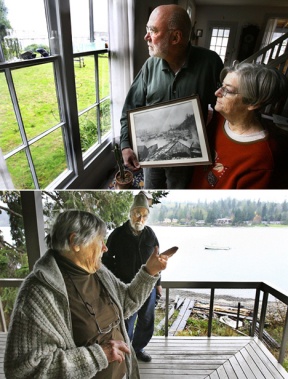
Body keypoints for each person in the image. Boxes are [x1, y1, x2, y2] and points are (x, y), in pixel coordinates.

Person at [4, 210, 171, 379]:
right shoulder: (39, 292)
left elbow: (126, 304)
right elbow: (23, 371)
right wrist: (98, 356)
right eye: (100, 240)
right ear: (75, 242)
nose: (105, 248)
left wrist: (150, 271)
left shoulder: (98, 272)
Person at [120, 4, 223, 189]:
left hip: (189, 156)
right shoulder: (150, 66)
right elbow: (130, 107)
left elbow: (223, 110)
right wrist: (126, 144)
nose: (146, 37)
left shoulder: (211, 63)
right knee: (151, 192)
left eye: (153, 30)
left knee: (179, 193)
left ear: (175, 37)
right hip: (152, 156)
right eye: (147, 30)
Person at [188, 62, 288, 189]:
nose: (217, 92)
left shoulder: (261, 158)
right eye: (221, 86)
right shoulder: (220, 118)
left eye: (227, 90)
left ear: (253, 103)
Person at [102, 192, 160, 363]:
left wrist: (158, 284)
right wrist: (113, 281)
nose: (140, 218)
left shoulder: (150, 234)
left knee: (147, 320)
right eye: (137, 213)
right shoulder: (118, 234)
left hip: (148, 287)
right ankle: (126, 350)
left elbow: (157, 260)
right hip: (125, 287)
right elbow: (106, 260)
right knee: (126, 321)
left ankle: (138, 349)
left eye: (144, 215)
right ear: (131, 212)